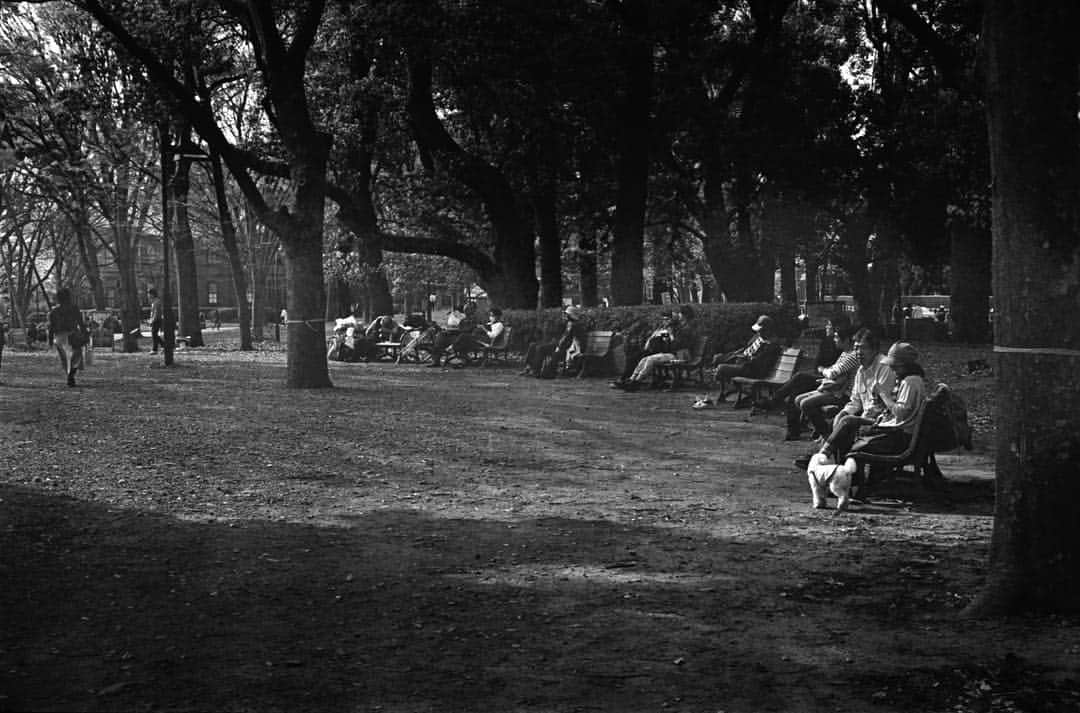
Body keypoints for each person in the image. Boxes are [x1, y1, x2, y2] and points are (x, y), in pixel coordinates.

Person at [760, 326, 860, 440]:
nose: (834, 339)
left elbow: (833, 372)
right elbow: (833, 371)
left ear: (846, 340)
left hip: (840, 392)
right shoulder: (844, 353)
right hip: (831, 385)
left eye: (837, 337)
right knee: (796, 391)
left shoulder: (852, 356)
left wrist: (822, 370)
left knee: (800, 379)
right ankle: (815, 431)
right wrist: (826, 372)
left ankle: (826, 435)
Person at [613, 305, 700, 392]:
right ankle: (632, 379)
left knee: (651, 359)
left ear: (684, 315)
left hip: (680, 355)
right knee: (645, 359)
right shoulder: (682, 326)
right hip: (674, 353)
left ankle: (636, 381)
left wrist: (671, 336)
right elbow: (674, 343)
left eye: (680, 313)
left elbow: (680, 344)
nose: (678, 315)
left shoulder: (688, 328)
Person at [709, 314, 782, 402]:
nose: (758, 332)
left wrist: (744, 358)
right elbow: (746, 348)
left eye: (761, 331)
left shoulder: (771, 344)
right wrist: (736, 354)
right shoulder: (758, 337)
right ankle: (723, 379)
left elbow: (760, 363)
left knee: (721, 368)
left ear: (767, 330)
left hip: (752, 369)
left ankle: (724, 382)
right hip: (743, 363)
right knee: (718, 358)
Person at [520, 305, 589, 377]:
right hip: (562, 346)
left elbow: (567, 341)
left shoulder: (573, 325)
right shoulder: (570, 324)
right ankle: (529, 368)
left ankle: (535, 371)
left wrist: (558, 347)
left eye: (566, 314)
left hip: (565, 350)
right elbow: (564, 338)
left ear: (570, 316)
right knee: (533, 345)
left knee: (541, 348)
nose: (564, 315)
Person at [47, 287, 89, 387]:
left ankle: (69, 374)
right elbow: (81, 323)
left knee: (64, 358)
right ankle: (72, 373)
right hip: (72, 335)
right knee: (77, 355)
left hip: (59, 337)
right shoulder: (74, 309)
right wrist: (85, 334)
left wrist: (50, 340)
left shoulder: (54, 311)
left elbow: (51, 327)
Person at [427, 302, 477, 368]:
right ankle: (436, 360)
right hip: (458, 336)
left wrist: (454, 330)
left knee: (463, 336)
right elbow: (460, 328)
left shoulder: (474, 318)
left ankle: (453, 352)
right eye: (465, 308)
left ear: (473, 310)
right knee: (441, 335)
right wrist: (449, 330)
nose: (465, 310)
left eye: (468, 308)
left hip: (467, 338)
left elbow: (468, 330)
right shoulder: (464, 319)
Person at [147, 287, 163, 353]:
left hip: (157, 320)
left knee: (154, 334)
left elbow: (156, 313)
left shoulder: (156, 302)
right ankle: (163, 345)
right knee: (154, 334)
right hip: (155, 320)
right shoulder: (154, 302)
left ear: (152, 294)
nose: (148, 295)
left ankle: (155, 349)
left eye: (149, 294)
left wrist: (152, 321)